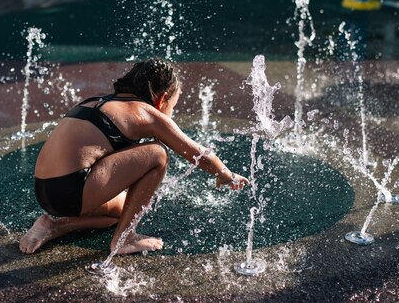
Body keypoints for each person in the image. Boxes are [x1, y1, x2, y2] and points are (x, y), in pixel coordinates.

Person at [20, 59, 249, 255]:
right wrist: (225, 173)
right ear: (162, 99)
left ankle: (52, 225)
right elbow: (197, 153)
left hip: (45, 191)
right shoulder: (145, 112)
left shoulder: (99, 102)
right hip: (71, 192)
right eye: (172, 107)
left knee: (121, 210)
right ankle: (125, 239)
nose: (170, 114)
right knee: (158, 154)